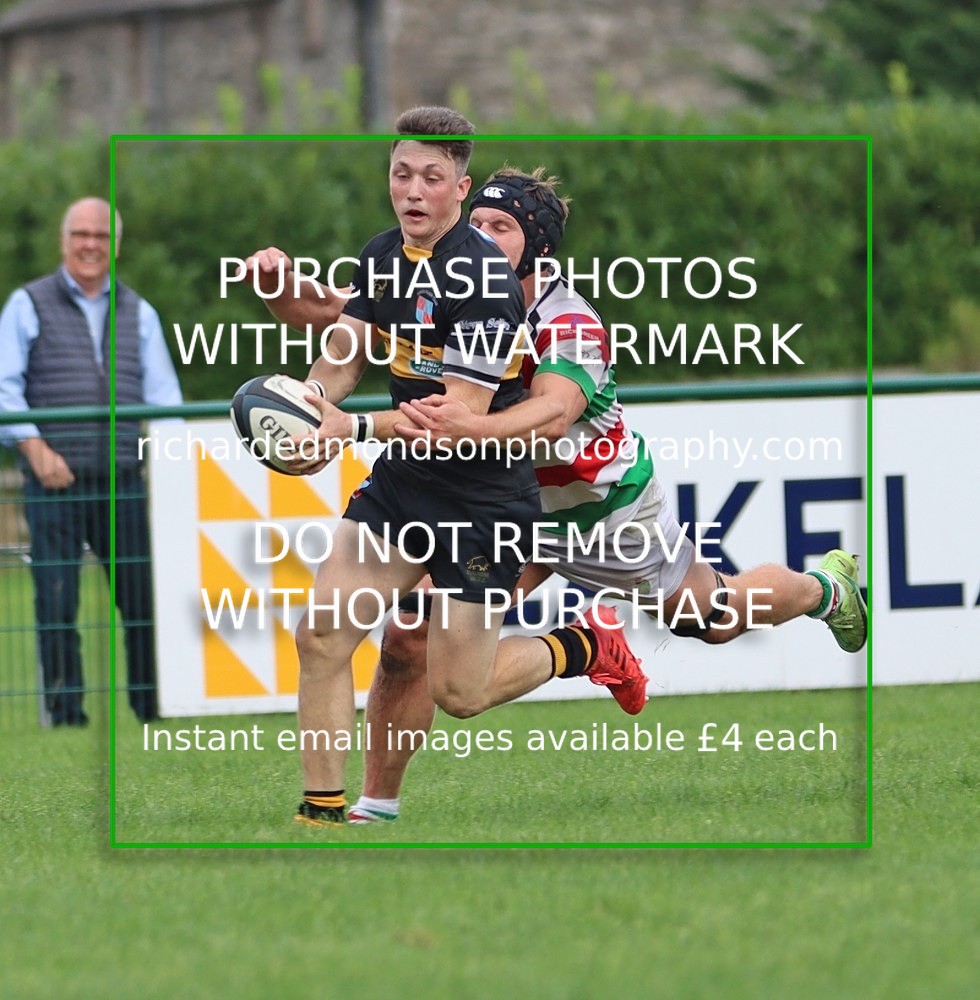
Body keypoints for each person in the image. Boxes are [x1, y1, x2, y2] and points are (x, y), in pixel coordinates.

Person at [340, 167, 869, 824]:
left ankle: (825, 590)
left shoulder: (568, 322)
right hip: (504, 508)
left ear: (538, 250)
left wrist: (465, 426)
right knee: (409, 635)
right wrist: (282, 288)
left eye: (501, 227)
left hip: (602, 515)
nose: (481, 236)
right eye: (477, 223)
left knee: (714, 616)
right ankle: (375, 809)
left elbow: (554, 415)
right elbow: (350, 311)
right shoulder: (446, 286)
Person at [246, 107, 646, 828]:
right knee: (323, 633)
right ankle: (321, 814)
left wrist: (349, 428)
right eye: (401, 173)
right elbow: (344, 354)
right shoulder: (381, 255)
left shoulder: (485, 280)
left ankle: (585, 643)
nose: (413, 190)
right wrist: (309, 407)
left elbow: (456, 418)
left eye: (431, 177)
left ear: (460, 188)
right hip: (405, 484)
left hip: (483, 501)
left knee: (459, 691)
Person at [0, 197, 182, 725]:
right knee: (55, 601)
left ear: (116, 246)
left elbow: (166, 403)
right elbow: (5, 388)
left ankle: (154, 708)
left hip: (124, 480)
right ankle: (64, 716)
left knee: (143, 599)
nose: (90, 245)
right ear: (64, 241)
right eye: (80, 234)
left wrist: (167, 467)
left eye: (101, 236)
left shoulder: (140, 312)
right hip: (52, 479)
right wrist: (35, 449)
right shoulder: (26, 304)